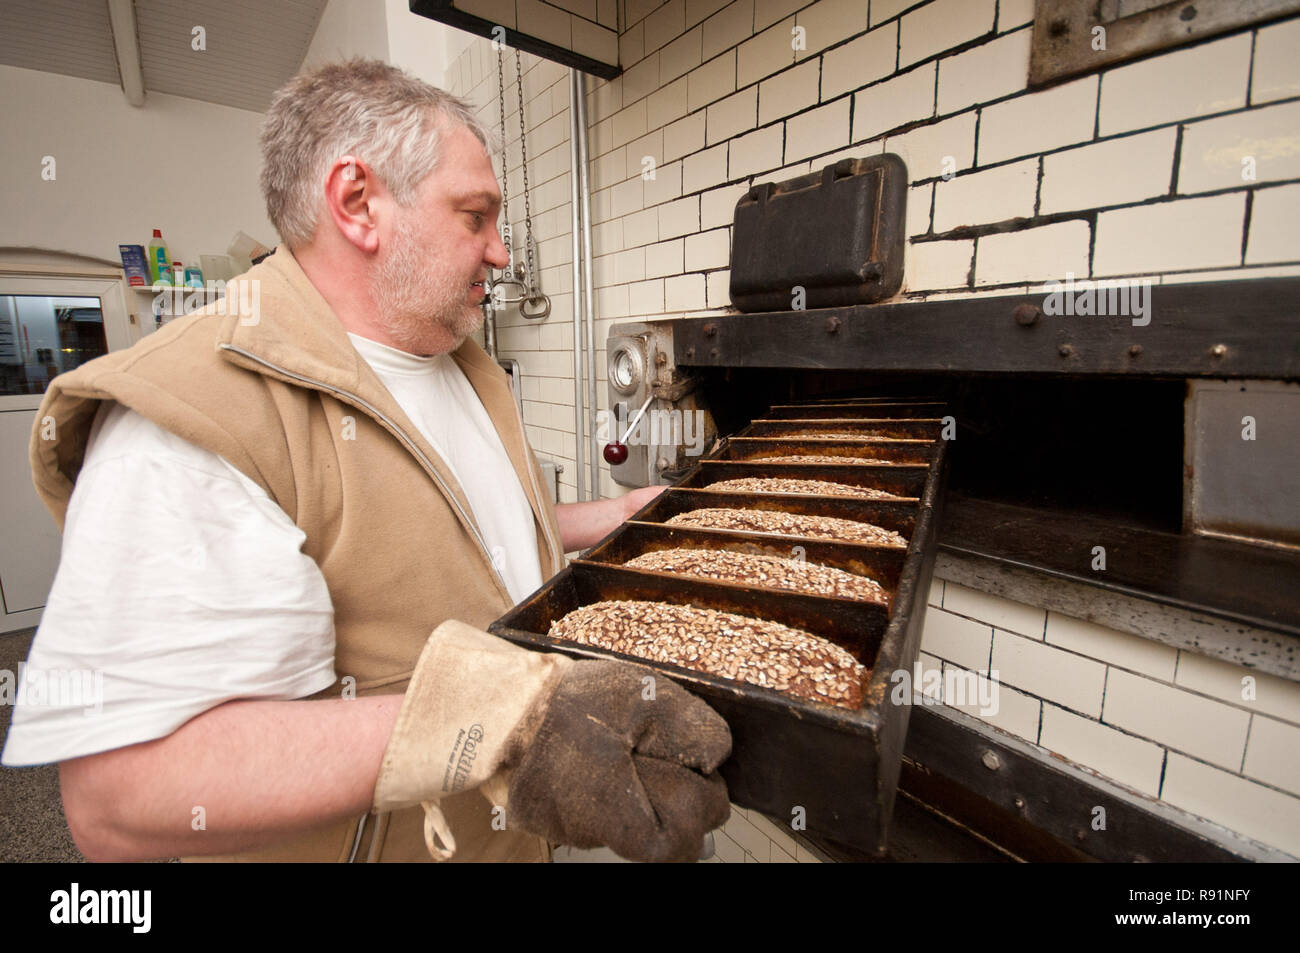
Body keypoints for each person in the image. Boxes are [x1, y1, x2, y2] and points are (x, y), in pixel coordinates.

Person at [2, 59, 731, 863]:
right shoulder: (200, 412)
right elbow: (119, 793)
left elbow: (453, 530)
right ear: (358, 203)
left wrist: (618, 519)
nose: (499, 251)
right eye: (475, 216)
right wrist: (510, 720)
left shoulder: (452, 358)